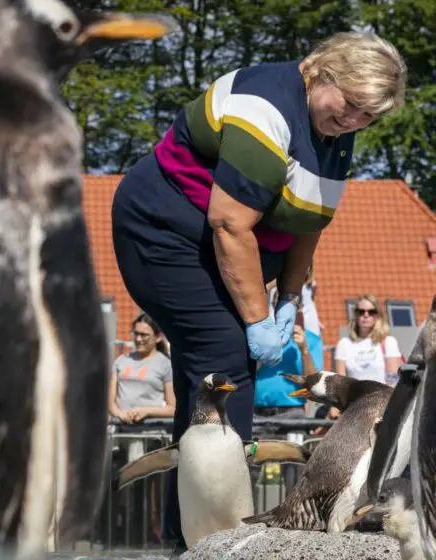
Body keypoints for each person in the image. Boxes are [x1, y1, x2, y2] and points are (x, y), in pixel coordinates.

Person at [111, 32, 406, 553]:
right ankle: (220, 537)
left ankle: (192, 534)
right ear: (321, 72)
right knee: (224, 363)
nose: (356, 121)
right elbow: (228, 224)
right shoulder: (265, 105)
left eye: (370, 117)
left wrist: (288, 297)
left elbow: (308, 223)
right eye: (353, 105)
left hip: (231, 249)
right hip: (167, 236)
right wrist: (254, 322)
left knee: (206, 376)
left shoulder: (335, 130)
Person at [330, 294, 403, 420]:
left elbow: (393, 382)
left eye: (371, 312)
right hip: (354, 410)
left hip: (382, 409)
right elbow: (341, 384)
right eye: (361, 311)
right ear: (355, 315)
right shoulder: (344, 344)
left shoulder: (388, 341)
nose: (366, 315)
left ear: (377, 315)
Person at [108, 313, 175, 425]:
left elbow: (172, 408)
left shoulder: (166, 364)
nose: (138, 339)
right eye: (136, 333)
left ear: (158, 337)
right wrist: (120, 414)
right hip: (119, 431)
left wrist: (146, 412)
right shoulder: (121, 361)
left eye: (144, 335)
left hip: (150, 433)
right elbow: (110, 402)